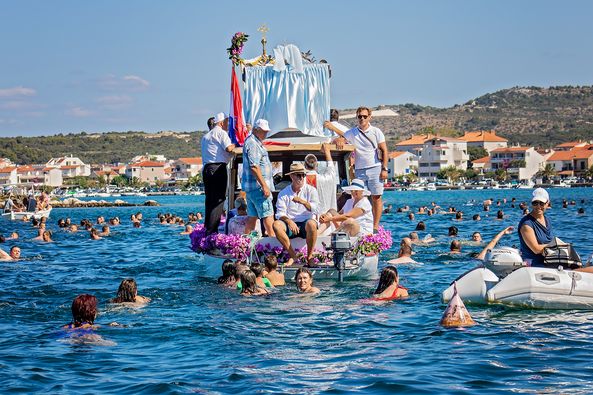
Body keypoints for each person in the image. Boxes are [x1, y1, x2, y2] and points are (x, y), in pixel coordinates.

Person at [332, 107, 389, 232]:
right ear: (357, 117)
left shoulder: (376, 131)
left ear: (369, 117)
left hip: (375, 167)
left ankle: (375, 226)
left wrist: (384, 169)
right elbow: (340, 138)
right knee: (359, 196)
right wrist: (340, 140)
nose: (362, 118)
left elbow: (384, 150)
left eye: (364, 116)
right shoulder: (352, 132)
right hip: (360, 169)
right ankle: (361, 223)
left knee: (376, 197)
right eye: (359, 116)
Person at [273, 163, 319, 266]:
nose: (301, 177)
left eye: (303, 175)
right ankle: (293, 256)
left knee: (312, 224)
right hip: (290, 225)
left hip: (306, 224)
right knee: (276, 225)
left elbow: (315, 209)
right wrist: (289, 221)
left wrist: (303, 202)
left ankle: (310, 256)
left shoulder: (311, 190)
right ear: (291, 176)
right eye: (298, 175)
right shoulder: (284, 193)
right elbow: (280, 214)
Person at [201, 112, 235, 234]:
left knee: (209, 199)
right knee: (219, 199)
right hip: (218, 168)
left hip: (207, 169)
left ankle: (208, 228)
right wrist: (236, 145)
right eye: (226, 122)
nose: (228, 124)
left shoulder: (206, 136)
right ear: (221, 123)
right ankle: (212, 231)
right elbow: (229, 148)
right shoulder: (221, 133)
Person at [243, 119, 275, 237]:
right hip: (258, 188)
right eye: (263, 131)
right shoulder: (253, 143)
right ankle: (274, 245)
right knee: (268, 215)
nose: (266, 133)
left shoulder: (252, 141)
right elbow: (254, 166)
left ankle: (244, 244)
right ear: (256, 130)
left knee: (252, 218)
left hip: (252, 188)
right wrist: (264, 186)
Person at [518, 188, 553, 267]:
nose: (538, 206)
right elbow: (536, 249)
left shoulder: (547, 220)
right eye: (535, 203)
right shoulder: (526, 224)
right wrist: (557, 246)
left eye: (542, 203)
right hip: (533, 264)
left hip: (547, 260)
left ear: (548, 203)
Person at [304, 143, 338, 215]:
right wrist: (327, 152)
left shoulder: (300, 182)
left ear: (305, 166)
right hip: (325, 217)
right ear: (317, 165)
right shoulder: (325, 179)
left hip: (306, 219)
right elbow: (331, 169)